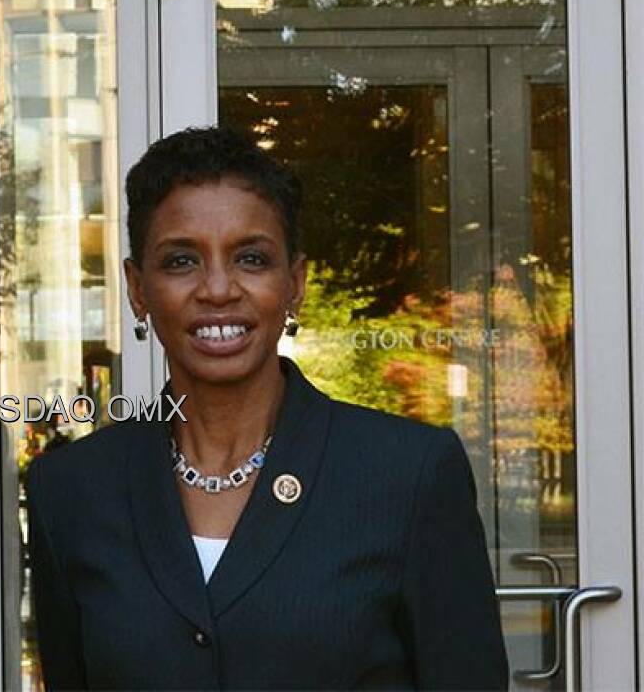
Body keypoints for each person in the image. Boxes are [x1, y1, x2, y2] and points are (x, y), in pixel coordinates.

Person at [25, 127, 508, 689]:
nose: (218, 289)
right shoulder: (71, 490)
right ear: (138, 288)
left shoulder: (410, 475)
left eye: (251, 259)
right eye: (181, 261)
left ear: (295, 282)